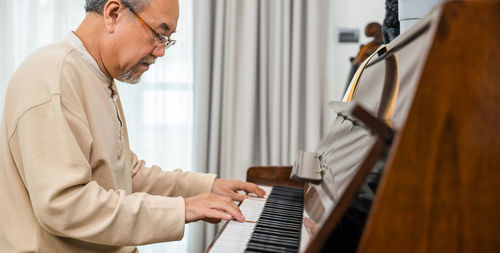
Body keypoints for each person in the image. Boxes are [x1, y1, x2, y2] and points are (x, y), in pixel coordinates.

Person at [0, 0, 265, 252]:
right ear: (113, 14)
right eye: (159, 34)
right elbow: (64, 206)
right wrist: (183, 209)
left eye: (167, 40)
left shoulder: (96, 75)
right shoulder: (52, 77)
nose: (160, 51)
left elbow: (126, 174)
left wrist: (206, 187)